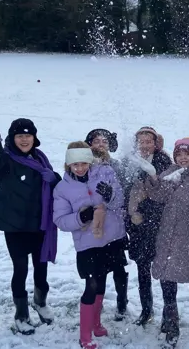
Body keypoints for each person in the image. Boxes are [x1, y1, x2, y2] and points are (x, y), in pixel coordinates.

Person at [0, 119, 61, 335]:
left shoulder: (40, 158)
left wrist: (55, 179)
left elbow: (54, 185)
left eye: (28, 135)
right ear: (12, 138)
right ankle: (21, 314)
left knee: (41, 267)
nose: (24, 140)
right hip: (15, 225)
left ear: (34, 137)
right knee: (21, 269)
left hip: (40, 223)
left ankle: (40, 302)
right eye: (19, 136)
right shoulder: (5, 159)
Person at [53, 142, 126, 349]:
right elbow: (60, 220)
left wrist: (111, 195)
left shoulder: (106, 173)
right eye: (75, 164)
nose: (79, 168)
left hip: (110, 239)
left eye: (83, 163)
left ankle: (96, 323)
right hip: (87, 244)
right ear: (68, 164)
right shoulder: (63, 188)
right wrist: (81, 217)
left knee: (102, 283)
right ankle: (85, 336)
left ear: (89, 161)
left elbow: (120, 201)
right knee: (91, 285)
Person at [142, 138, 189, 346]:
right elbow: (157, 195)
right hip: (168, 237)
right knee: (167, 283)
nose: (183, 158)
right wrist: (154, 178)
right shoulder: (170, 172)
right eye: (179, 154)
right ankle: (172, 326)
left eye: (187, 154)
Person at [122, 126, 173, 326]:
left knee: (164, 271)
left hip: (158, 225)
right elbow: (125, 191)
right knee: (142, 270)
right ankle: (146, 310)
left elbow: (165, 192)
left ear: (155, 143)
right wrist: (131, 217)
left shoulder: (163, 161)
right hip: (137, 227)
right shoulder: (130, 161)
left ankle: (169, 314)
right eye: (141, 142)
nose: (144, 145)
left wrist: (146, 210)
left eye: (148, 141)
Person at [86, 128, 129, 321]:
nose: (101, 144)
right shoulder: (84, 165)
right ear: (89, 145)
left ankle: (122, 301)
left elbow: (124, 194)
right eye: (96, 141)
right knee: (97, 269)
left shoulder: (117, 166)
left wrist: (111, 196)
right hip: (93, 226)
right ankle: (97, 301)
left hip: (115, 225)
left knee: (118, 267)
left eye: (104, 141)